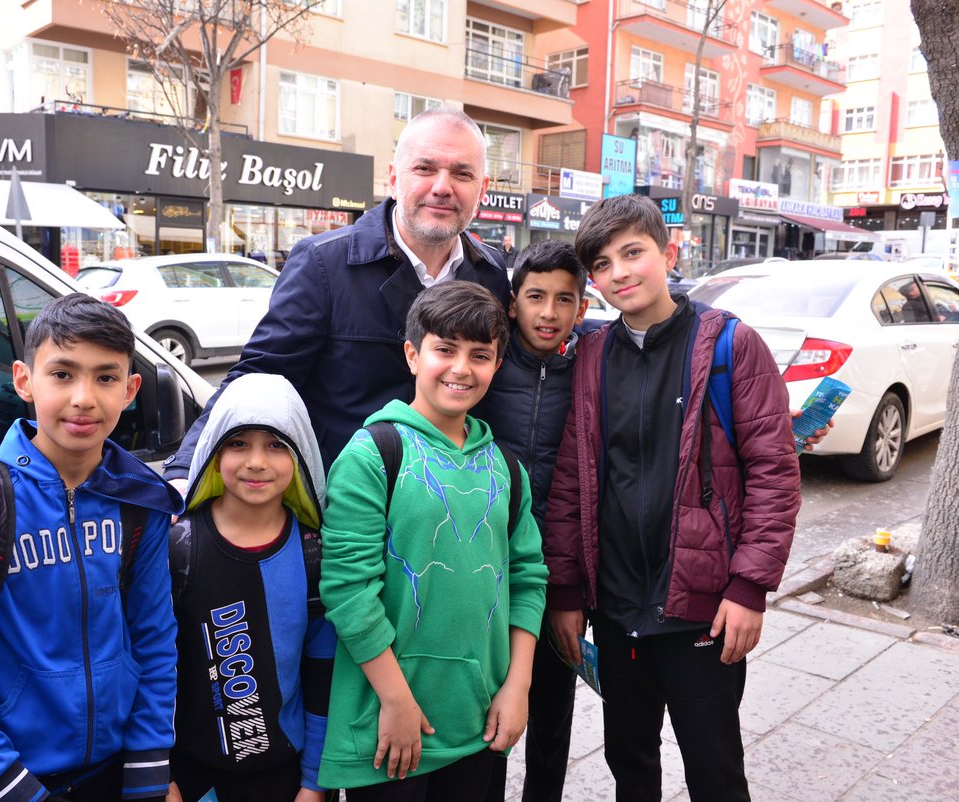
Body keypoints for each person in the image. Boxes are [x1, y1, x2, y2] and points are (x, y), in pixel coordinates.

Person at [546, 194, 802, 802]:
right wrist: (565, 591)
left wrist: (749, 589)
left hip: (703, 609)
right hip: (615, 607)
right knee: (629, 764)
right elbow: (571, 481)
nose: (621, 273)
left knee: (714, 769)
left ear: (669, 251)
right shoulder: (592, 355)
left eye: (633, 253)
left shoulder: (729, 347)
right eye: (603, 265)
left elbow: (774, 472)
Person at [0, 293, 184, 802]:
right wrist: (15, 791)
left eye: (105, 377)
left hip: (112, 774)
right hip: (6, 782)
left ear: (131, 389)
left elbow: (156, 645)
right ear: (23, 380)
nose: (84, 397)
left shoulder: (139, 501)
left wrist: (148, 772)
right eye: (62, 374)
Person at [161, 108, 509, 483]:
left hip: (449, 505)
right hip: (342, 505)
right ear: (394, 178)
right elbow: (260, 377)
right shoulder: (323, 263)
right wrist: (184, 472)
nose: (442, 186)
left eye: (462, 173)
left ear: (482, 189)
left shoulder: (491, 273)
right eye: (424, 169)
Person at [317, 281, 547, 799]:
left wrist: (518, 686)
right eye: (445, 349)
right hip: (391, 729)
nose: (461, 368)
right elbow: (348, 590)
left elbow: (528, 580)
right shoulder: (373, 453)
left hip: (481, 723)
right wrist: (396, 702)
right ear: (412, 354)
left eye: (480, 355)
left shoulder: (505, 467)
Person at [167, 373, 336, 802]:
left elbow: (324, 676)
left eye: (277, 444)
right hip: (193, 779)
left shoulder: (313, 552)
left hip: (287, 778)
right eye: (238, 442)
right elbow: (151, 670)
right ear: (212, 452)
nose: (257, 461)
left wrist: (315, 784)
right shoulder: (176, 546)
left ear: (301, 454)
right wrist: (160, 775)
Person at [472, 240, 588, 802]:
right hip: (485, 567)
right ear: (512, 303)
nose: (549, 313)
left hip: (559, 571)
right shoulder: (485, 367)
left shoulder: (592, 369)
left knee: (552, 712)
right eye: (536, 296)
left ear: (582, 309)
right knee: (485, 712)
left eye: (564, 299)